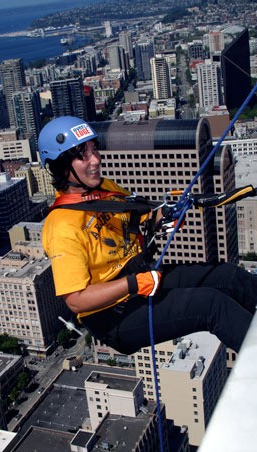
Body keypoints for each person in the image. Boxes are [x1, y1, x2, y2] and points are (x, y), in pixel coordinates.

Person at [39, 116, 257, 355]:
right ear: (61, 166)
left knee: (228, 276)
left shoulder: (105, 189)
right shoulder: (61, 226)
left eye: (94, 148)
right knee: (212, 306)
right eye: (83, 154)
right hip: (113, 316)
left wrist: (165, 215)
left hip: (142, 279)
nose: (96, 159)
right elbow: (76, 300)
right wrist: (133, 284)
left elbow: (139, 218)